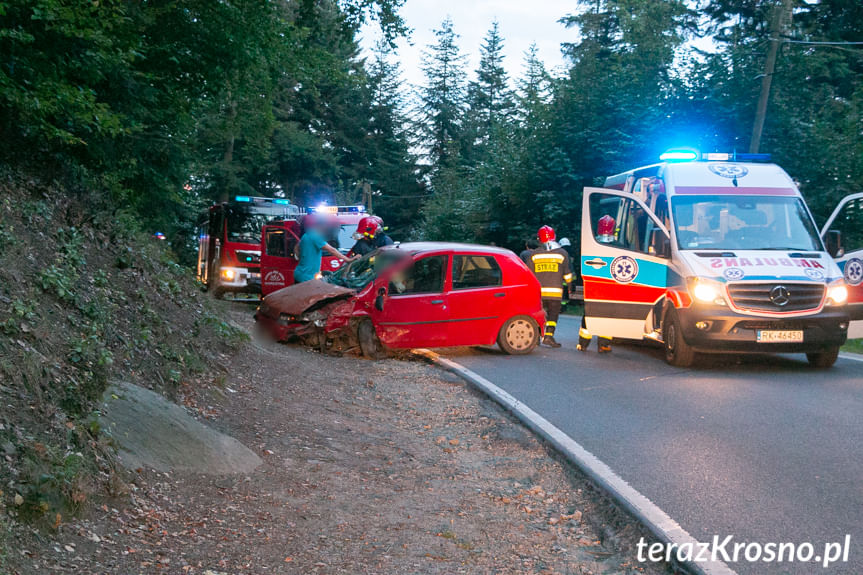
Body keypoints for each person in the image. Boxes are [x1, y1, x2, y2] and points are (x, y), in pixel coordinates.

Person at [528, 225, 572, 348]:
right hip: (555, 293)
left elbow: (529, 274)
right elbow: (567, 274)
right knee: (553, 316)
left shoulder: (534, 254)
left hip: (539, 293)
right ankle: (548, 336)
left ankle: (536, 337)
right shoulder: (562, 253)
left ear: (539, 239)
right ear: (554, 237)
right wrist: (570, 287)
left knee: (538, 315)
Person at [578, 214, 616, 354]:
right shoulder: (617, 246)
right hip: (610, 288)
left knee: (588, 315)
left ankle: (583, 344)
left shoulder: (591, 244)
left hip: (594, 287)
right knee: (608, 316)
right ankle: (604, 345)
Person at [294, 214, 354, 283]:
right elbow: (332, 250)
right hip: (307, 277)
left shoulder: (307, 234)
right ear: (321, 226)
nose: (325, 230)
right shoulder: (315, 237)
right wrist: (348, 260)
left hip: (300, 274)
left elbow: (296, 247)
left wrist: (301, 258)